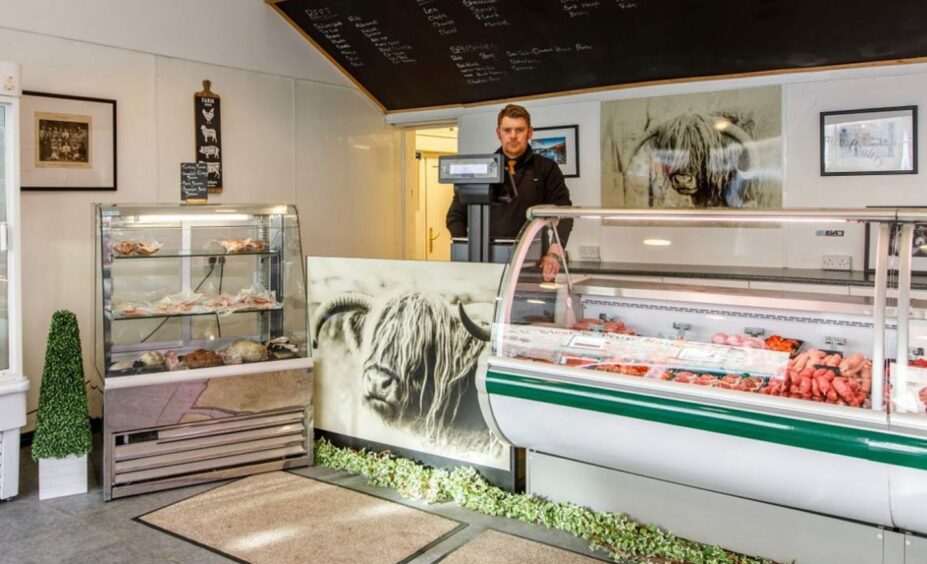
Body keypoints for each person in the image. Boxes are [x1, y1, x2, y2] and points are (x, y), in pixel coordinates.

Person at [446, 104, 573, 280]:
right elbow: (455, 217)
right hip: (485, 264)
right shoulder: (480, 168)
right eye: (507, 130)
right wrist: (467, 251)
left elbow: (565, 214)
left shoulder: (547, 168)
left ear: (530, 132)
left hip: (533, 263)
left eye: (519, 130)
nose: (513, 135)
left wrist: (554, 253)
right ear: (499, 133)